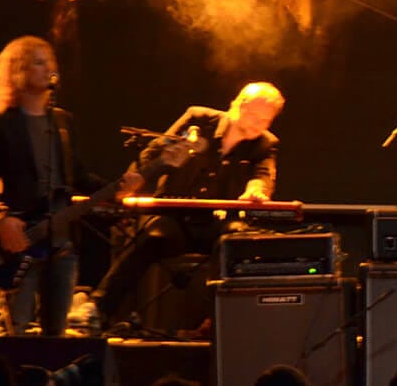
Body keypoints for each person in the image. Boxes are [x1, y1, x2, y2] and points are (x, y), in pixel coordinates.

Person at [90, 82, 285, 334]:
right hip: (174, 218)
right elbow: (155, 152)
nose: (259, 124)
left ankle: (216, 322)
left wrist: (257, 190)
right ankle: (98, 309)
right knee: (149, 240)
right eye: (255, 115)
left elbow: (263, 175)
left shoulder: (266, 144)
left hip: (218, 222)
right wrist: (133, 183)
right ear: (238, 104)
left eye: (266, 120)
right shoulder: (198, 120)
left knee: (237, 242)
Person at [0, 36, 120, 335]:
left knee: (57, 334)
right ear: (18, 71)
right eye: (38, 62)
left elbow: (78, 177)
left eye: (49, 61)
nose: (48, 67)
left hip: (61, 245)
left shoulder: (63, 122)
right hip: (19, 241)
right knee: (17, 331)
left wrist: (120, 187)